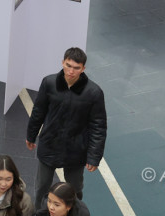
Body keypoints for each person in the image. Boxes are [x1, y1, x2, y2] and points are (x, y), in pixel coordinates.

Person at [25, 47, 107, 208]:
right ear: (62, 63)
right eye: (68, 65)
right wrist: (31, 135)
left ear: (83, 68)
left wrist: (94, 157)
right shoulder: (49, 83)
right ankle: (39, 212)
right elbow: (38, 111)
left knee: (75, 190)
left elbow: (99, 126)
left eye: (76, 68)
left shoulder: (94, 92)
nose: (71, 71)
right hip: (49, 144)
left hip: (76, 150)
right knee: (42, 187)